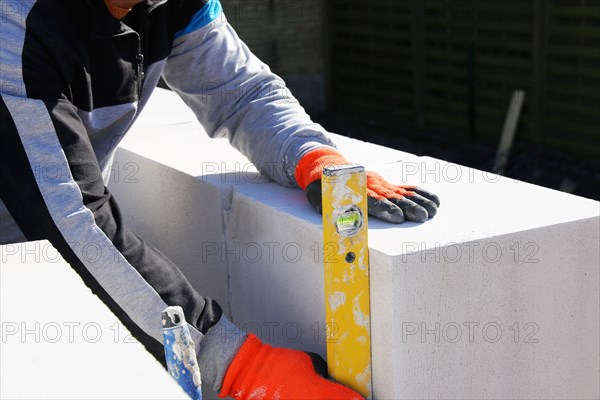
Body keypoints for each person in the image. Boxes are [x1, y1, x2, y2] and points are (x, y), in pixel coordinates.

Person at [0, 0, 440, 398]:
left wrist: (313, 157)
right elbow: (70, 218)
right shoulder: (15, 23)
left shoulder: (173, 5)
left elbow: (241, 93)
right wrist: (239, 365)